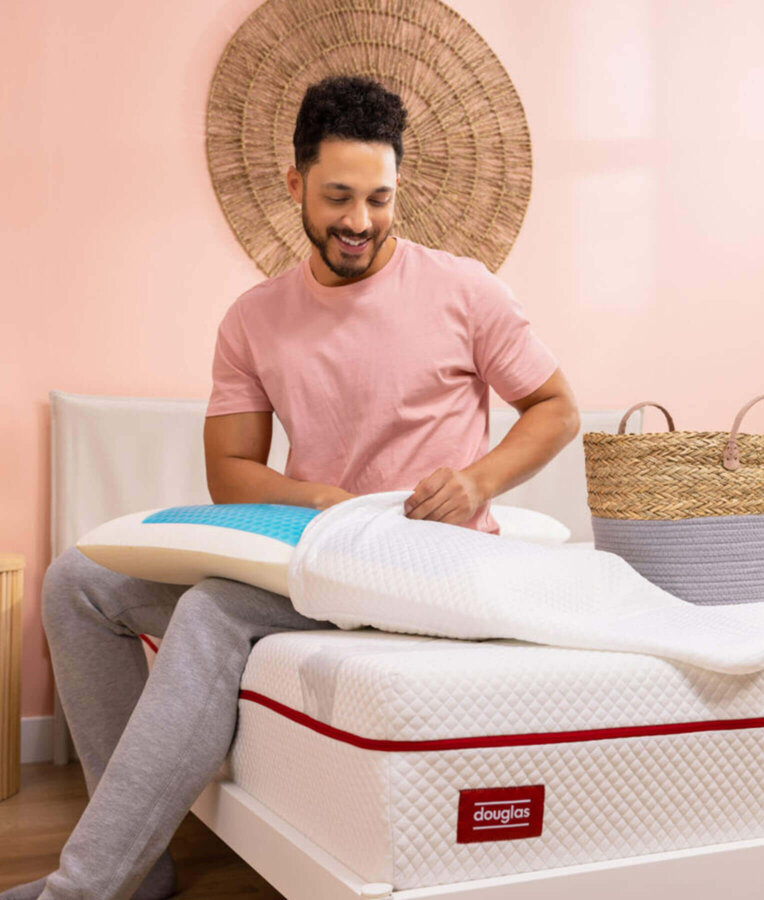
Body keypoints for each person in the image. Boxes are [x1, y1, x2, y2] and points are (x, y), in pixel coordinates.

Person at [1, 74, 579, 900]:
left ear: (397, 188)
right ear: (294, 183)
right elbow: (229, 472)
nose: (360, 221)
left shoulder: (465, 290)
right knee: (76, 582)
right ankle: (142, 861)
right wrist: (322, 501)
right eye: (339, 196)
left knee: (211, 610)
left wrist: (478, 478)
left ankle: (88, 888)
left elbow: (557, 409)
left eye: (380, 198)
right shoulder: (254, 318)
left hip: (426, 571)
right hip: (314, 562)